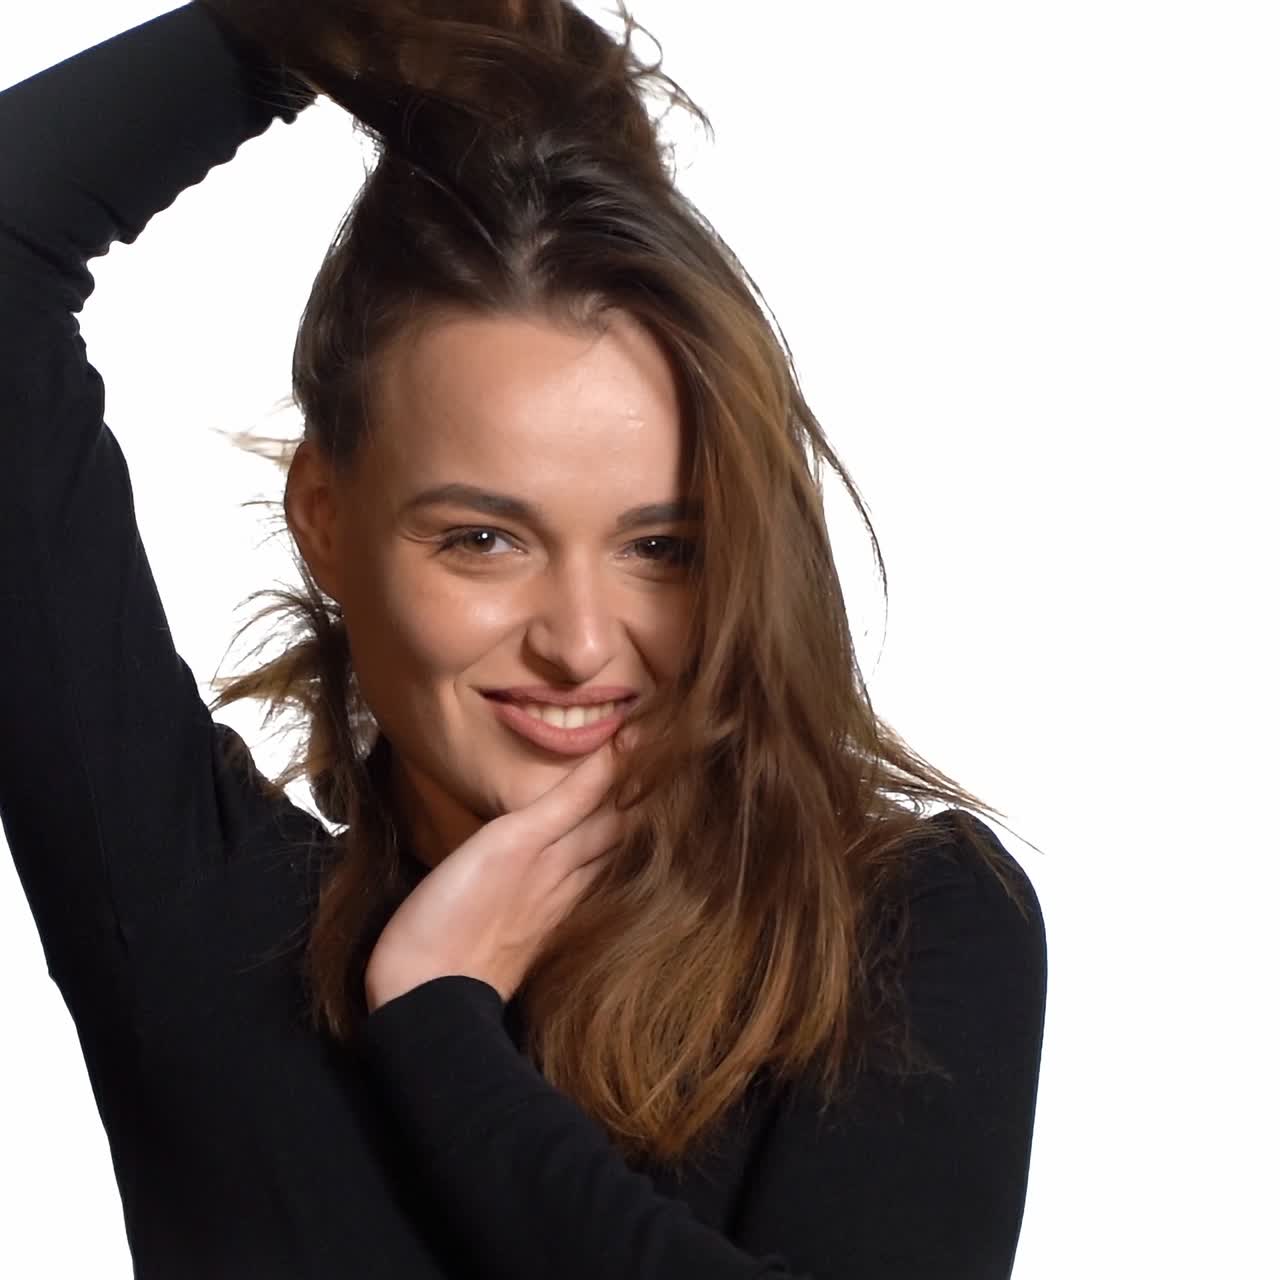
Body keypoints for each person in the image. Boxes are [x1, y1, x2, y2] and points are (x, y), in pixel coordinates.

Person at [0, 2, 1048, 1277]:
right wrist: (316, 26)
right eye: (481, 541)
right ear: (324, 519)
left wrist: (441, 1030)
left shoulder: (895, 928)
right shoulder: (201, 924)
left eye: (661, 547)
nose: (579, 641)